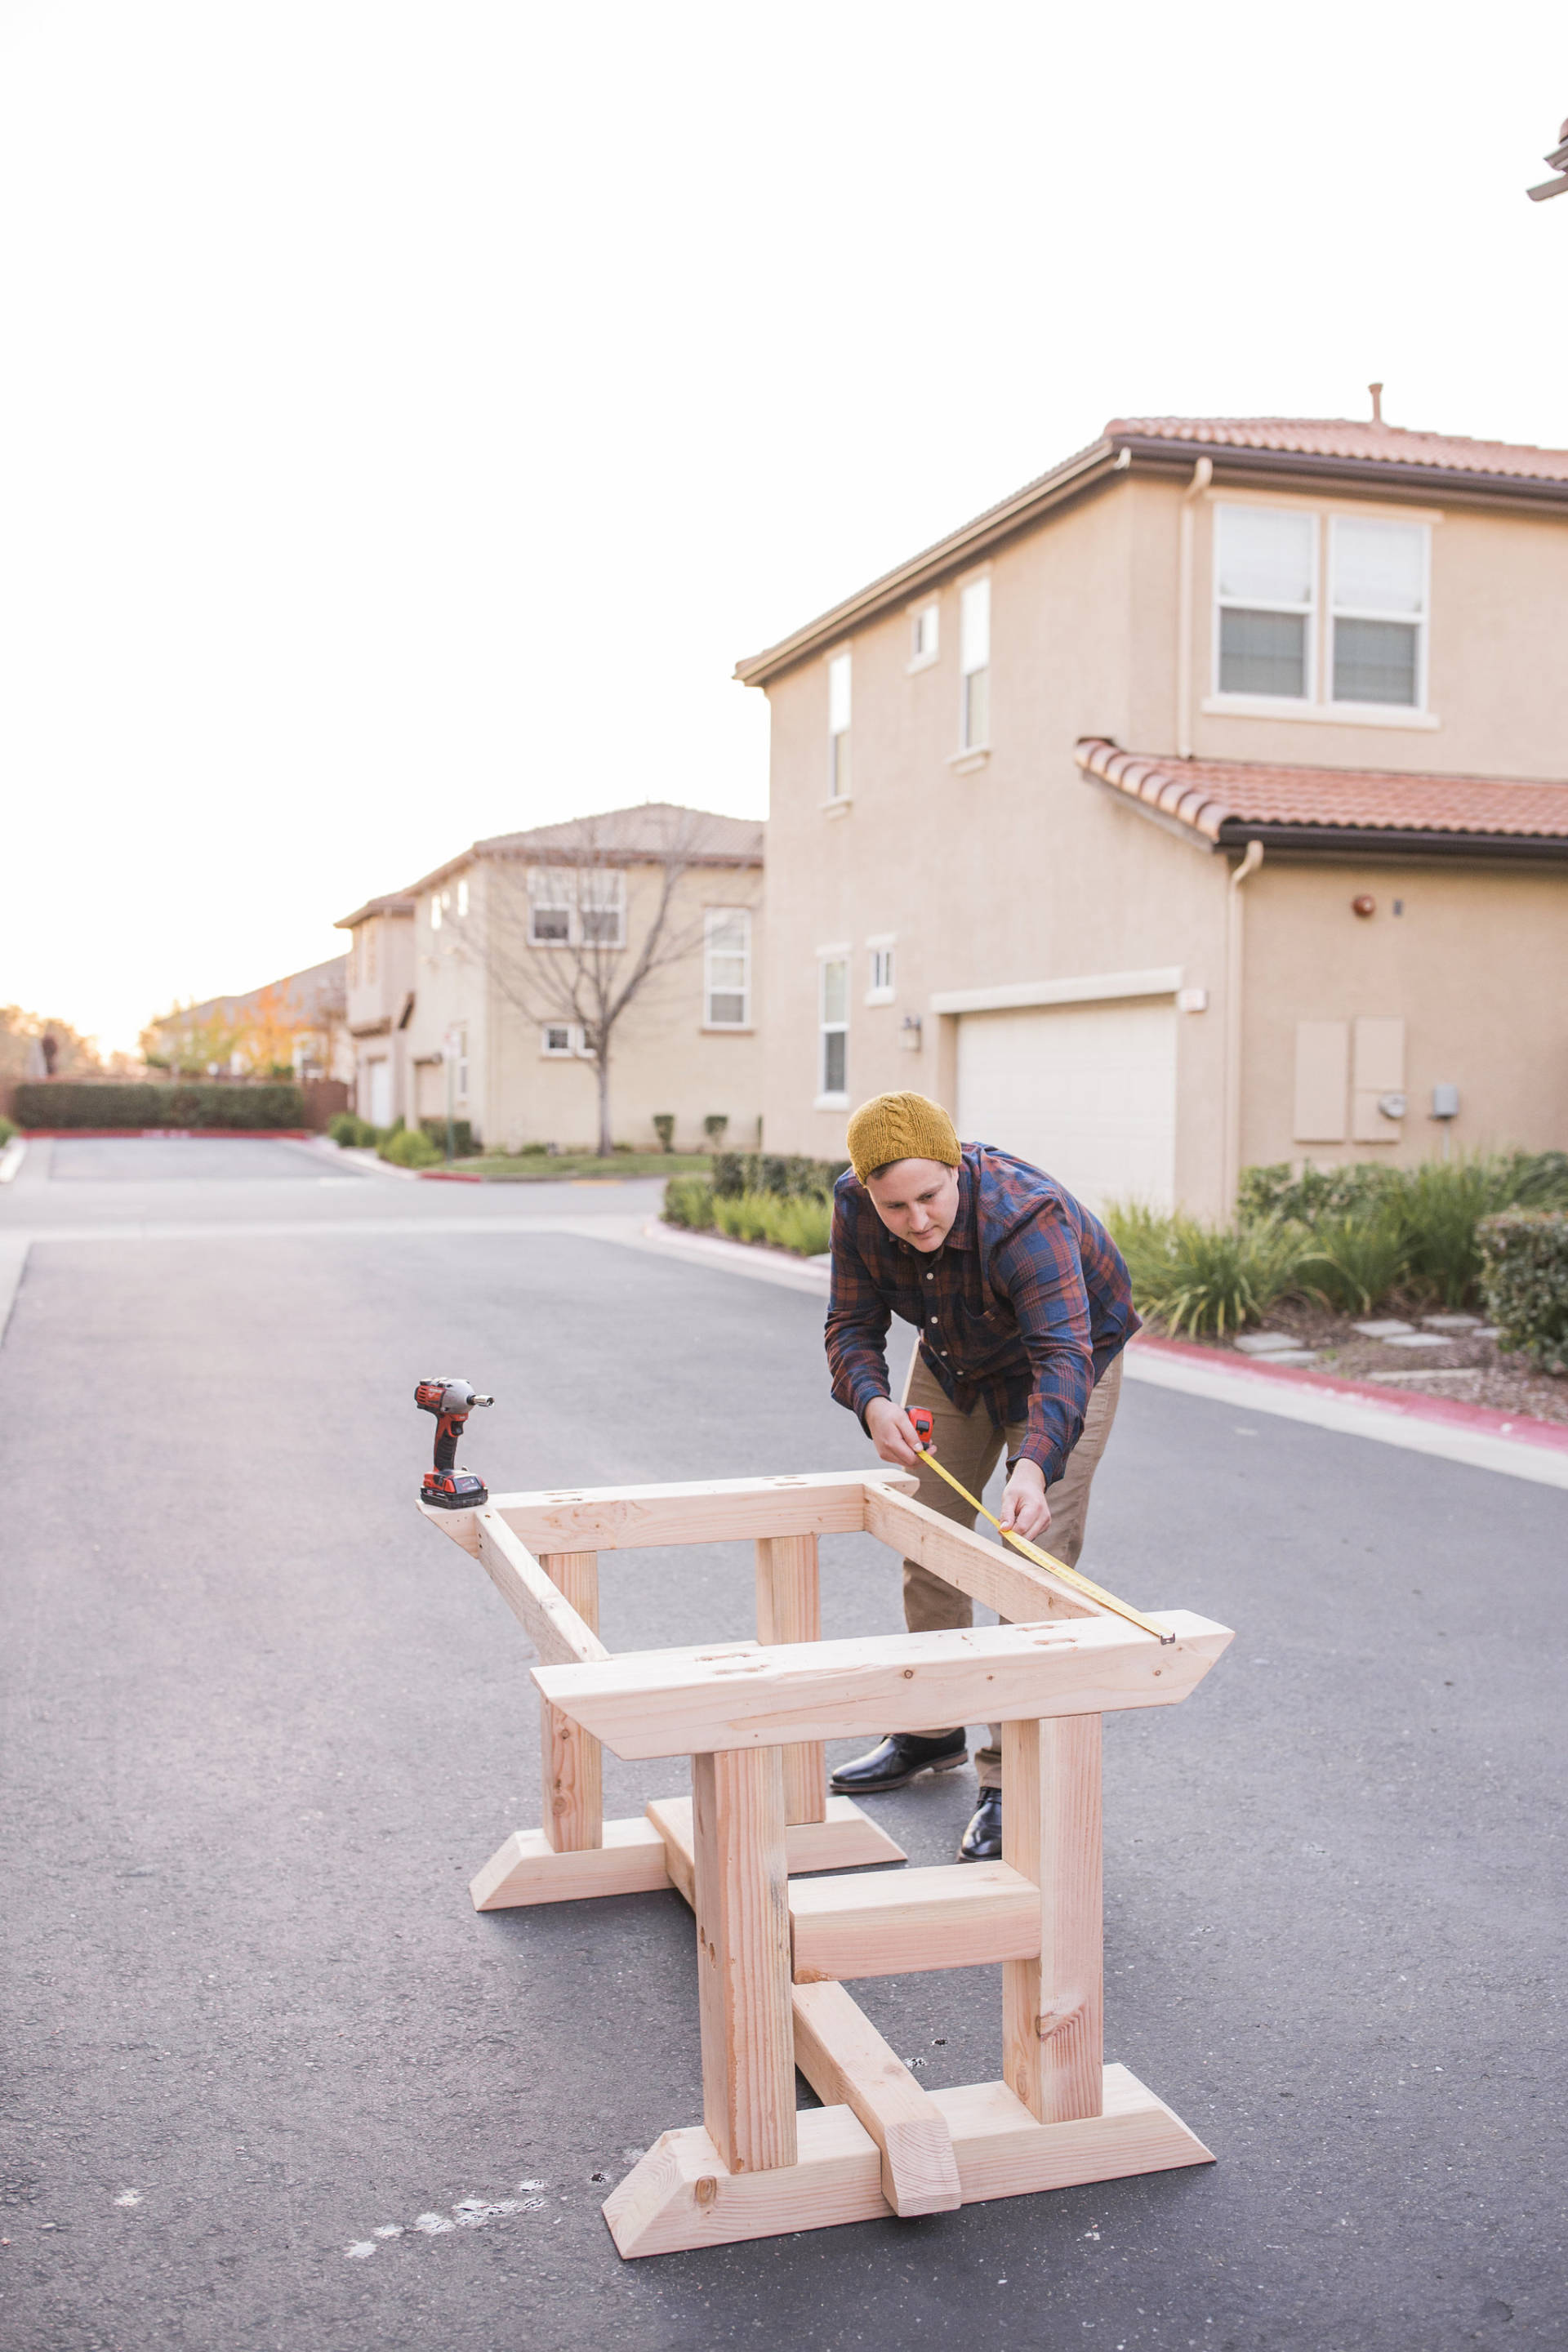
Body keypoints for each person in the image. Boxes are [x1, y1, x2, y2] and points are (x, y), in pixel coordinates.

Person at [823, 1090, 1138, 1862]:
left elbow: (1064, 1356)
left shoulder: (1026, 1218)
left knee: (1032, 1561)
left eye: (930, 1196)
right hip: (955, 1358)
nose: (917, 1220)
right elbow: (850, 1324)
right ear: (869, 1192)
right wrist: (870, 1403)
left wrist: (1033, 1464)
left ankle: (1010, 1778)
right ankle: (934, 1729)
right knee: (928, 1537)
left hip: (1065, 1364)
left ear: (956, 1167)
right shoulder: (856, 1208)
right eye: (896, 1206)